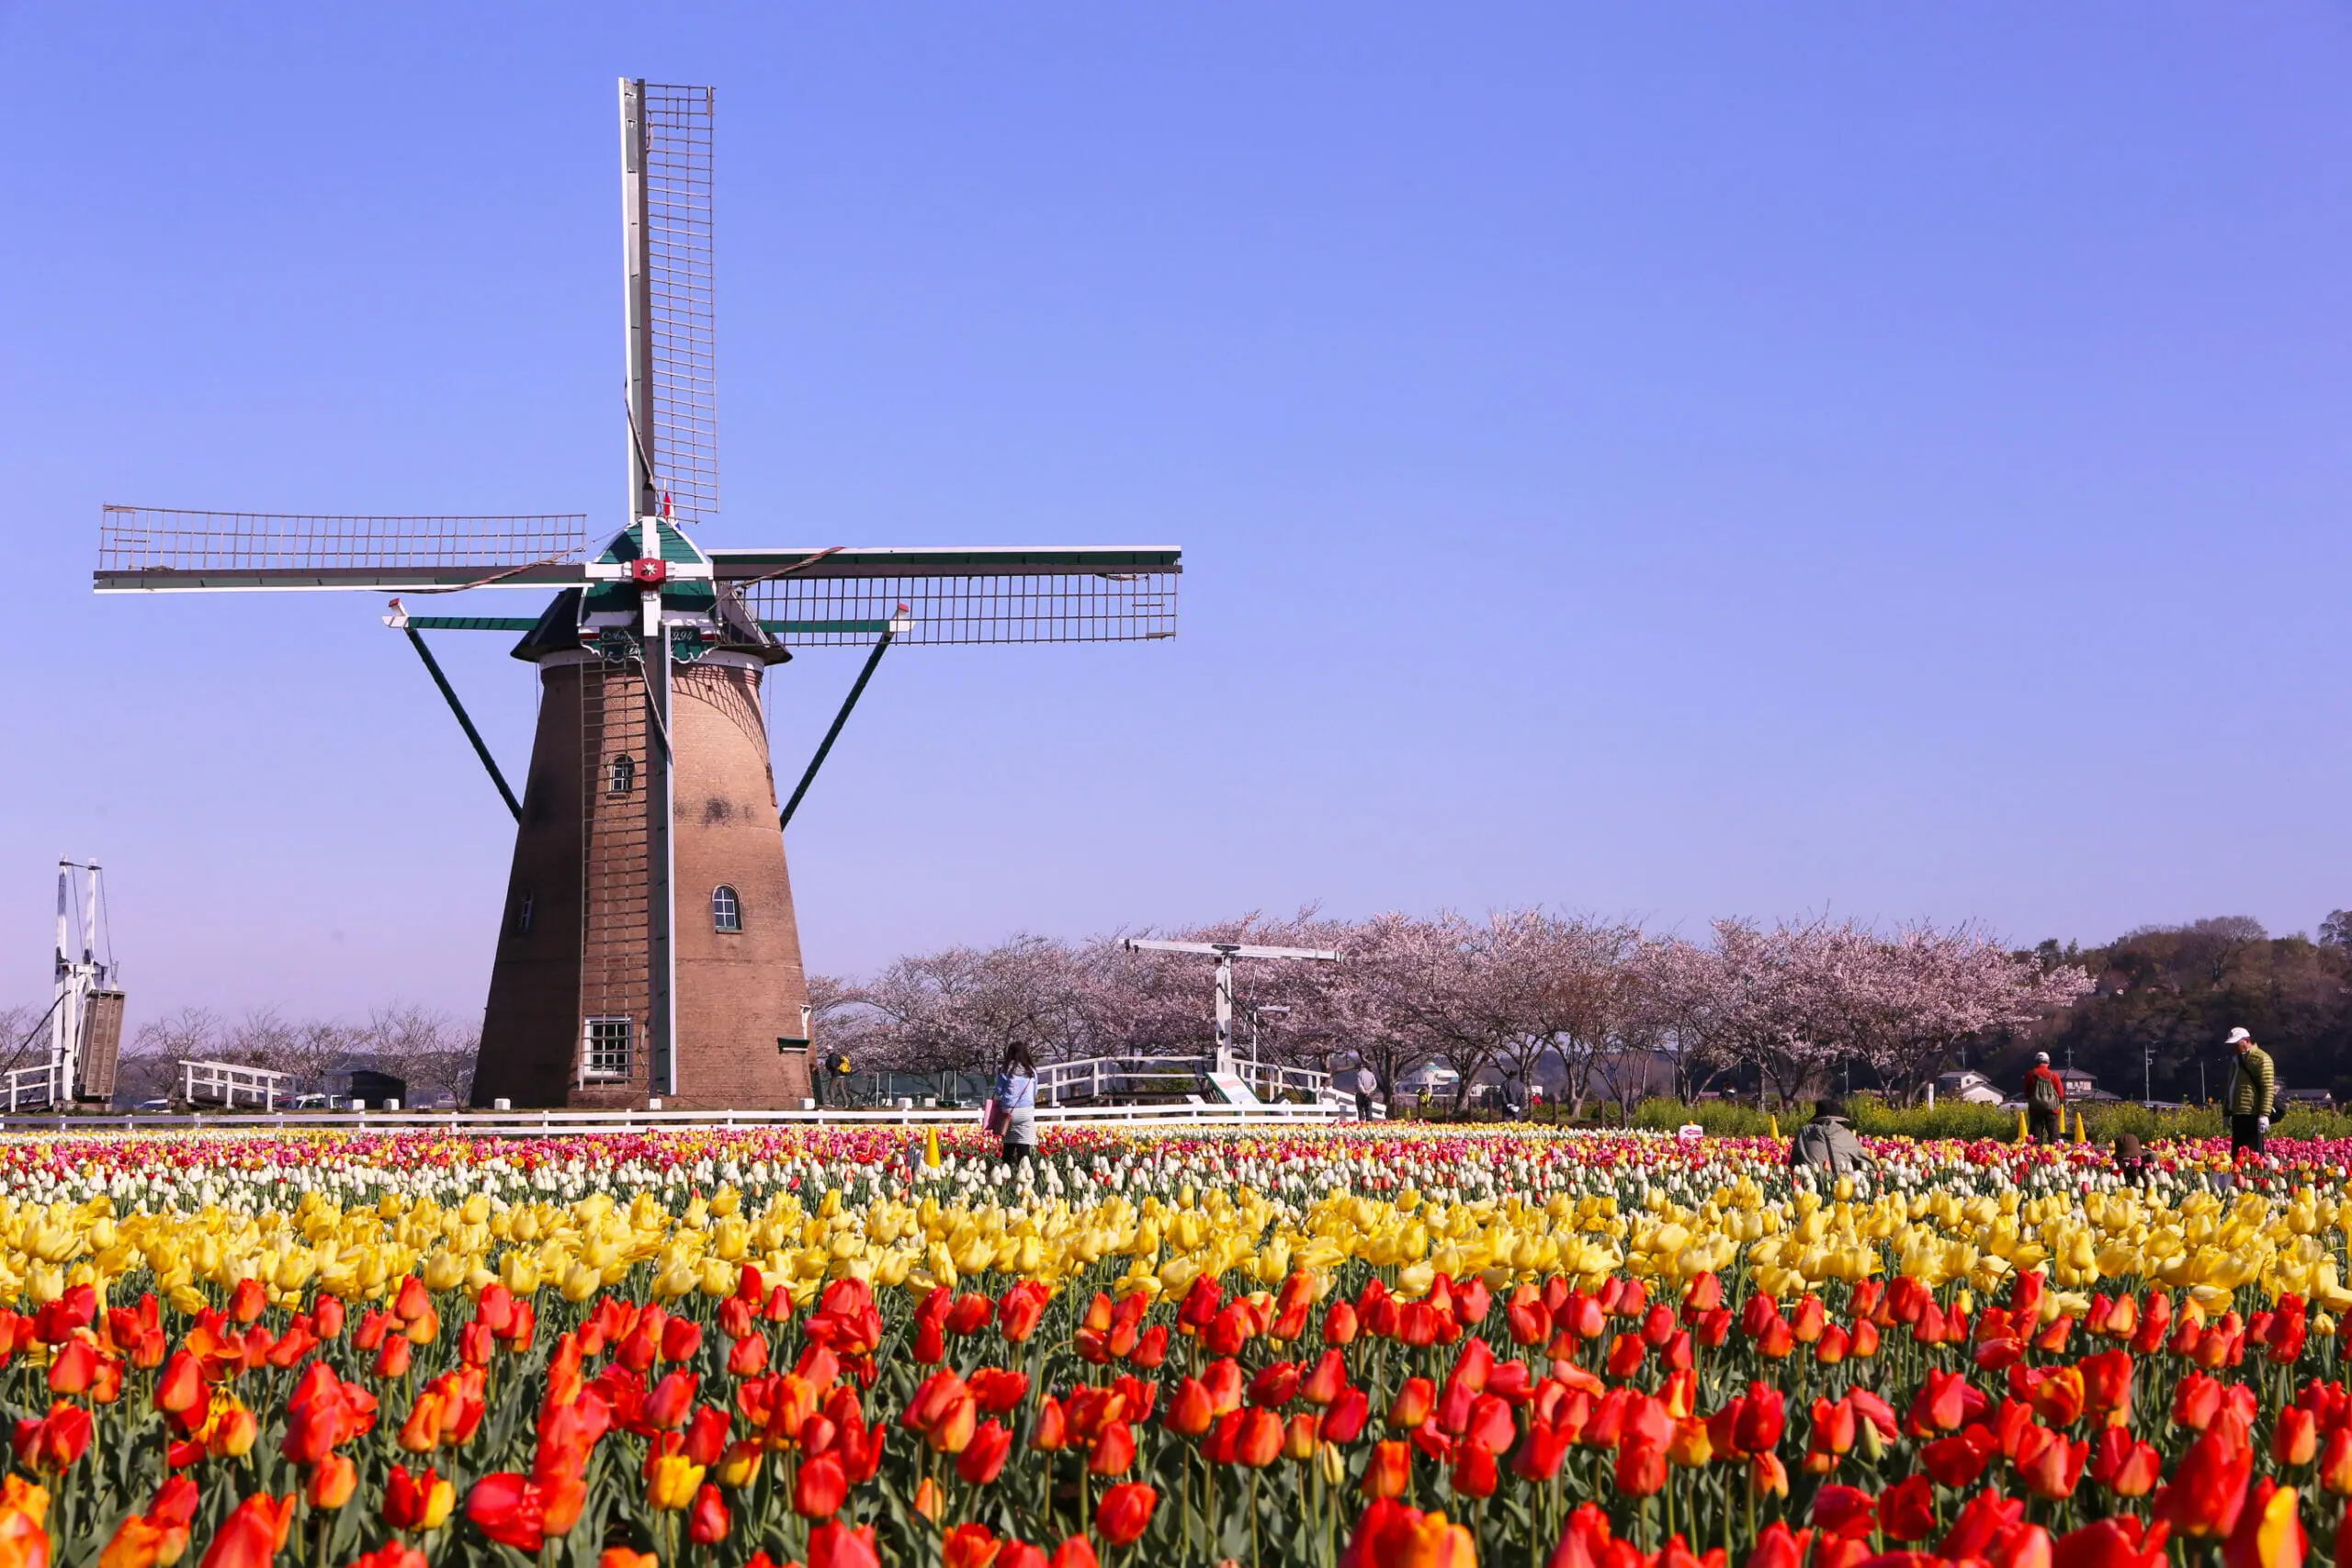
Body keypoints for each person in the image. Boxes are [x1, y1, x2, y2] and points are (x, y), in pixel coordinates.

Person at [2225, 1026, 2276, 1157]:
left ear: (2246, 1041)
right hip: (2238, 1112)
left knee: (2253, 1155)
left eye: (2236, 1044)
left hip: (2252, 1113)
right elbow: (2231, 1086)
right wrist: (2226, 1112)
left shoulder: (2261, 1058)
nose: (2233, 1048)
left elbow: (2268, 1087)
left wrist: (2264, 1114)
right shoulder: (2236, 1060)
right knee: (2237, 1155)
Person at [1790, 1100, 1871, 1174]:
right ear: (1839, 1120)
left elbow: (1794, 1165)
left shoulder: (1804, 1133)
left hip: (1811, 1187)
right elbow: (1868, 1166)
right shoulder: (1846, 1135)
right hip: (1844, 1187)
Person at [994, 1043, 1038, 1168]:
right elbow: (1034, 1092)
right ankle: (1024, 1173)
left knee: (1008, 1142)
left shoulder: (1004, 1070)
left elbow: (998, 1091)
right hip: (1026, 1111)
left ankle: (1005, 1171)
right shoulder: (1032, 1071)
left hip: (1008, 1111)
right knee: (1023, 1144)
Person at [2025, 1052, 2065, 1144]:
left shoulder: (2030, 1074)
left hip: (2035, 1108)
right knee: (2054, 1136)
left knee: (2035, 1137)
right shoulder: (2054, 1075)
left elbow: (2027, 1092)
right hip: (2052, 1109)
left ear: (2036, 1062)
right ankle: (2055, 1154)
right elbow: (2060, 1093)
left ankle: (2036, 1154)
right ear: (2048, 1062)